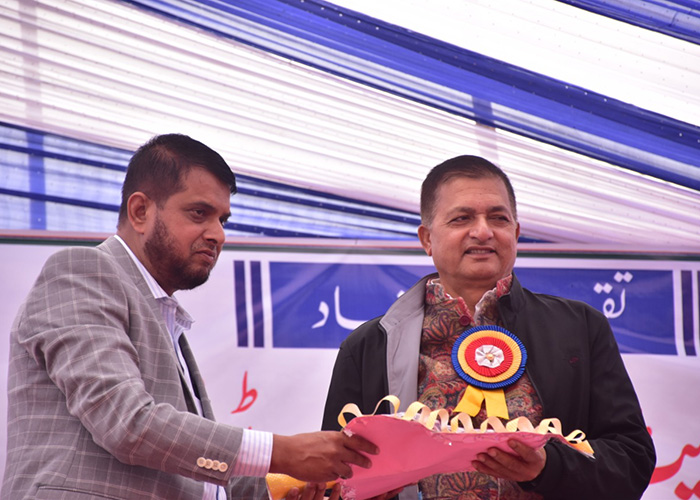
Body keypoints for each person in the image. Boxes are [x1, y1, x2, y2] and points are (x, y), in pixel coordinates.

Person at [2, 134, 377, 500]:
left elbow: (194, 472)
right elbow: (126, 423)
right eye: (199, 213)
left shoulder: (163, 315)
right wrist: (282, 452)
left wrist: (298, 484)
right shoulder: (82, 271)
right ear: (140, 211)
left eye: (223, 220)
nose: (218, 235)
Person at [322, 155, 655, 500]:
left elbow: (632, 461)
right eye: (461, 218)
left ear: (516, 233)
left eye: (498, 218)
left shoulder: (579, 328)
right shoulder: (369, 346)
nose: (483, 231)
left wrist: (548, 467)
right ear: (427, 239)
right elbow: (332, 476)